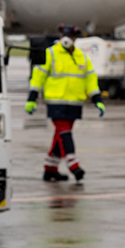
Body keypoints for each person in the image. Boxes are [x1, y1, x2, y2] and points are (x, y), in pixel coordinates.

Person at [25, 24, 105, 182]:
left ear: (75, 39)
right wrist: (31, 98)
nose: (67, 39)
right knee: (64, 133)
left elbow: (90, 78)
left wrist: (98, 99)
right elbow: (38, 76)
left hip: (75, 103)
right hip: (56, 102)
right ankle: (74, 165)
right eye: (64, 36)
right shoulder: (51, 54)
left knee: (60, 135)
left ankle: (50, 169)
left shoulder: (81, 56)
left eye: (71, 36)